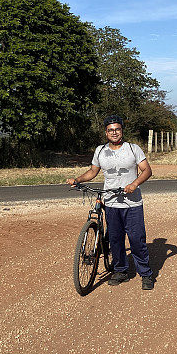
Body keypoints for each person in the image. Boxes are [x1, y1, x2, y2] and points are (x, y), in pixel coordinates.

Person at [67, 115, 155, 290]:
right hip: (111, 203)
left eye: (117, 129)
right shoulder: (100, 151)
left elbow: (147, 170)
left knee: (137, 240)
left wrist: (134, 184)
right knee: (115, 239)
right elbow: (93, 172)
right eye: (110, 130)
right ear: (106, 132)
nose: (114, 133)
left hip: (132, 204)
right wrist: (77, 180)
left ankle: (146, 274)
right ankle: (120, 270)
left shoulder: (133, 149)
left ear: (122, 131)